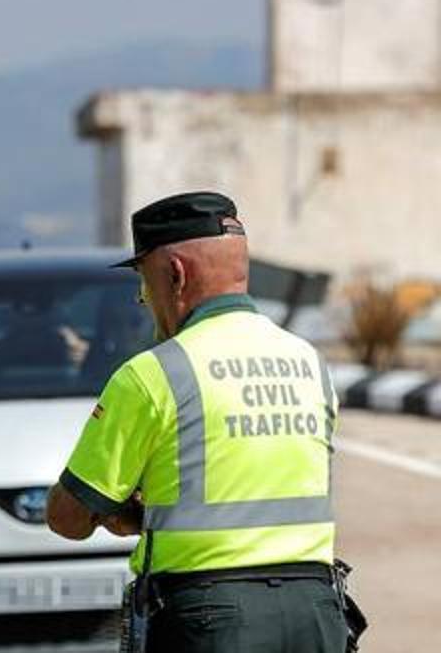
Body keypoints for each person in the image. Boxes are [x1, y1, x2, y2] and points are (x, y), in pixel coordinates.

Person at [44, 192, 354, 653]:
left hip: (212, 618)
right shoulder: (310, 362)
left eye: (144, 282)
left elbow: (67, 518)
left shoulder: (153, 374)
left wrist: (125, 514)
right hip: (316, 612)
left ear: (175, 274)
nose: (143, 298)